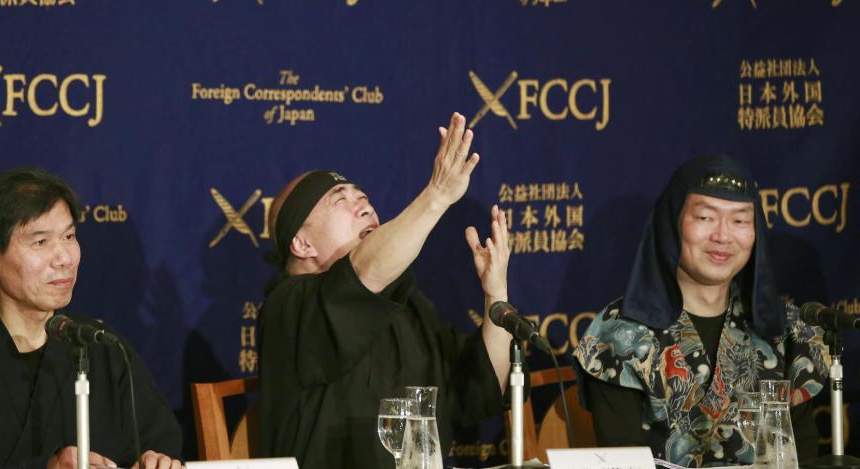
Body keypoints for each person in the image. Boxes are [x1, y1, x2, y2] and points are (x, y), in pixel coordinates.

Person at [259, 112, 514, 469]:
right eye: (340, 200)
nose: (364, 205)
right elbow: (362, 274)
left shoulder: (407, 306)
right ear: (301, 243)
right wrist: (437, 195)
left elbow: (485, 386)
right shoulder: (289, 307)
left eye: (362, 196)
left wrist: (495, 294)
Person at [0, 167, 182, 469]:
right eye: (40, 242)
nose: (64, 258)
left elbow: (161, 441)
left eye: (69, 236)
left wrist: (154, 460)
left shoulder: (102, 348)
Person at [574, 154, 830, 467]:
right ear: (672, 222)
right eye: (705, 217)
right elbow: (620, 459)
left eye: (739, 220)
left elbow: (803, 455)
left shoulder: (783, 329)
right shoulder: (619, 335)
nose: (722, 236)